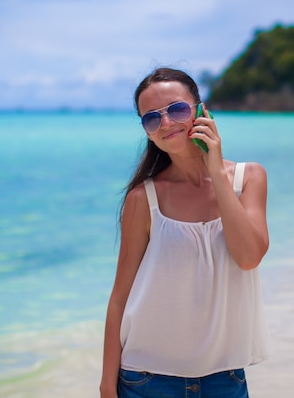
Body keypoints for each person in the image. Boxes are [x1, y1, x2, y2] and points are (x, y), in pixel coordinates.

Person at [100, 67, 270, 398]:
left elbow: (249, 257)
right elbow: (120, 298)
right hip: (147, 379)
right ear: (146, 131)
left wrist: (215, 171)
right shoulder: (142, 199)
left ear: (201, 111)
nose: (165, 124)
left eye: (176, 109)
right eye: (151, 118)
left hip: (225, 380)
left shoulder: (248, 179)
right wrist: (107, 386)